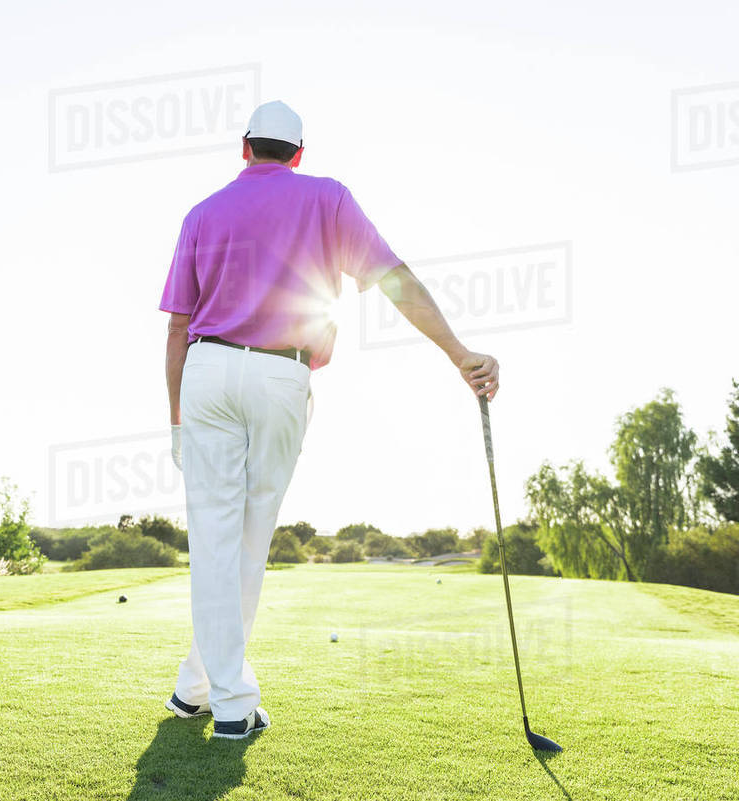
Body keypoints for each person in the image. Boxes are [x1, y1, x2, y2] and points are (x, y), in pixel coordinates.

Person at [158, 100, 499, 739]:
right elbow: (395, 279)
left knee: (214, 540)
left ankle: (196, 687)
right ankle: (230, 705)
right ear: (298, 153)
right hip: (281, 375)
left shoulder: (201, 213)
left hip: (204, 373)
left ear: (244, 148)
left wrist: (176, 419)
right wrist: (459, 353)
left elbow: (177, 327)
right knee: (248, 541)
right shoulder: (327, 197)